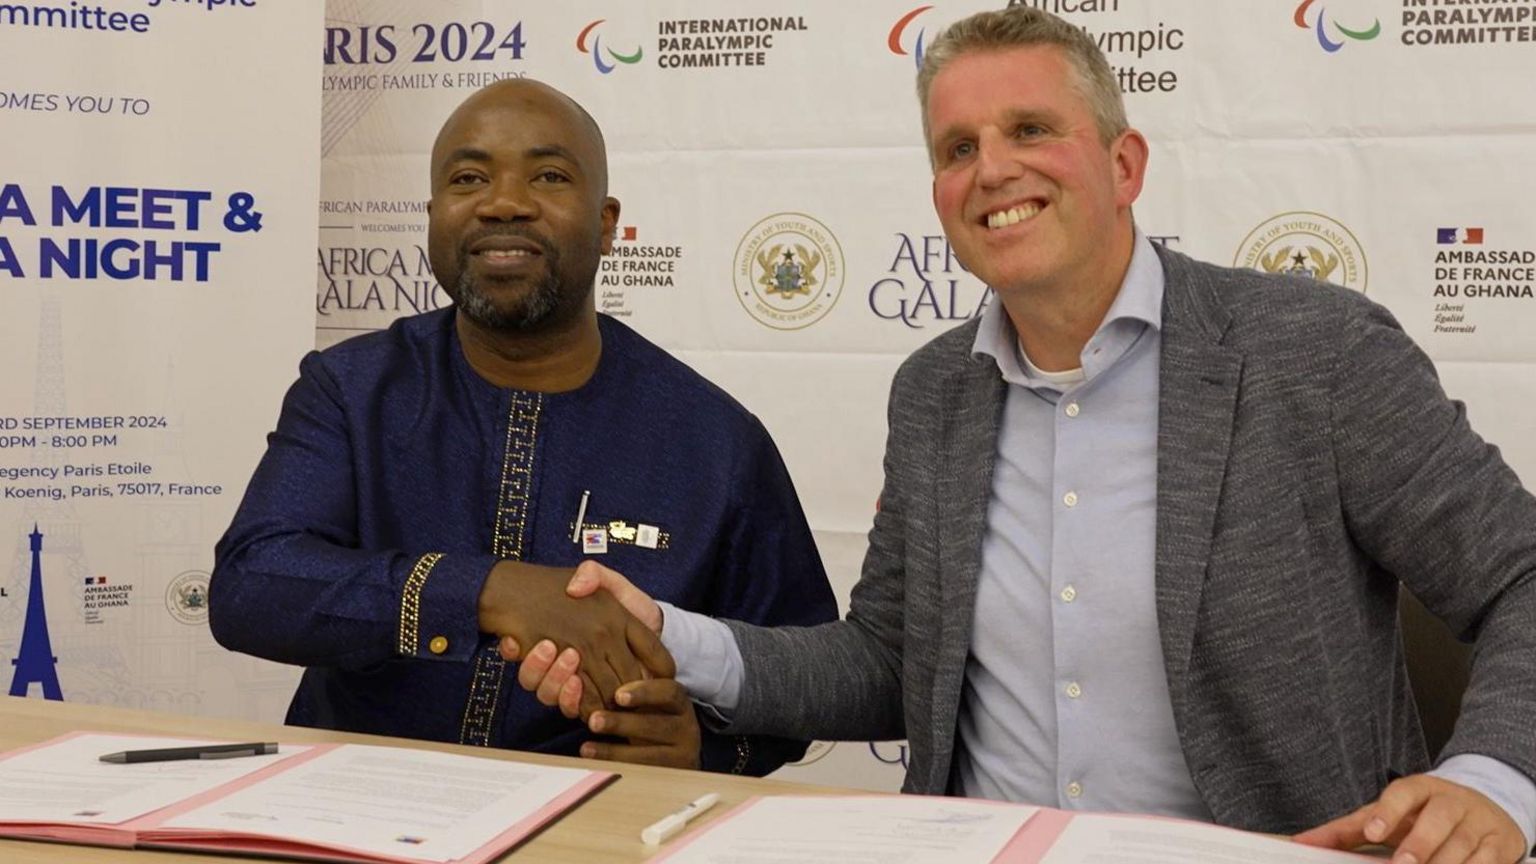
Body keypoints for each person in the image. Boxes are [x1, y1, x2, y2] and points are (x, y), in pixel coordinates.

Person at [506, 8, 1536, 862]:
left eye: (1031, 131)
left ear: (1124, 163)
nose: (992, 169)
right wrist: (669, 638)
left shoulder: (1315, 355)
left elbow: (1520, 576)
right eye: (959, 149)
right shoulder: (933, 394)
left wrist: (1490, 780)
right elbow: (887, 664)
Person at [208, 79, 838, 775]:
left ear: (605, 222)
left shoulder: (714, 440)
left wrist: (710, 749)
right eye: (469, 178)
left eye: (548, 176)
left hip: (597, 826)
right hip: (357, 808)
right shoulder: (353, 390)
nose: (503, 203)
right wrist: (491, 591)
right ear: (432, 215)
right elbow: (250, 587)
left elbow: (812, 685)